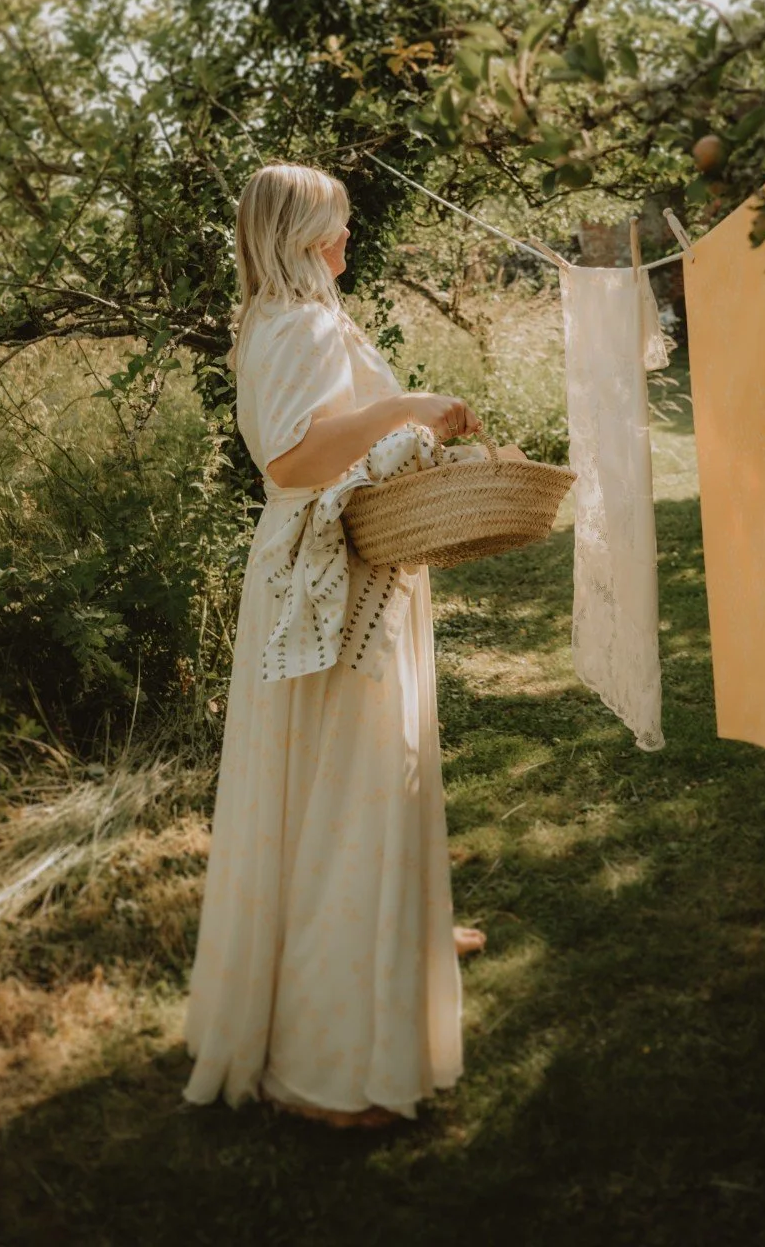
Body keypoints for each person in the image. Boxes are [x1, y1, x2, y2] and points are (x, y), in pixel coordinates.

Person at [183, 161, 490, 1129]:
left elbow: (327, 448)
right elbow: (294, 455)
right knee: (344, 785)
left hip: (328, 561)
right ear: (303, 233)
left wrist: (405, 439)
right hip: (324, 574)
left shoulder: (282, 322)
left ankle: (396, 940)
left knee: (340, 779)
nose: (348, 241)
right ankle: (321, 1064)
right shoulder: (301, 324)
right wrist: (411, 404)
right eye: (337, 226)